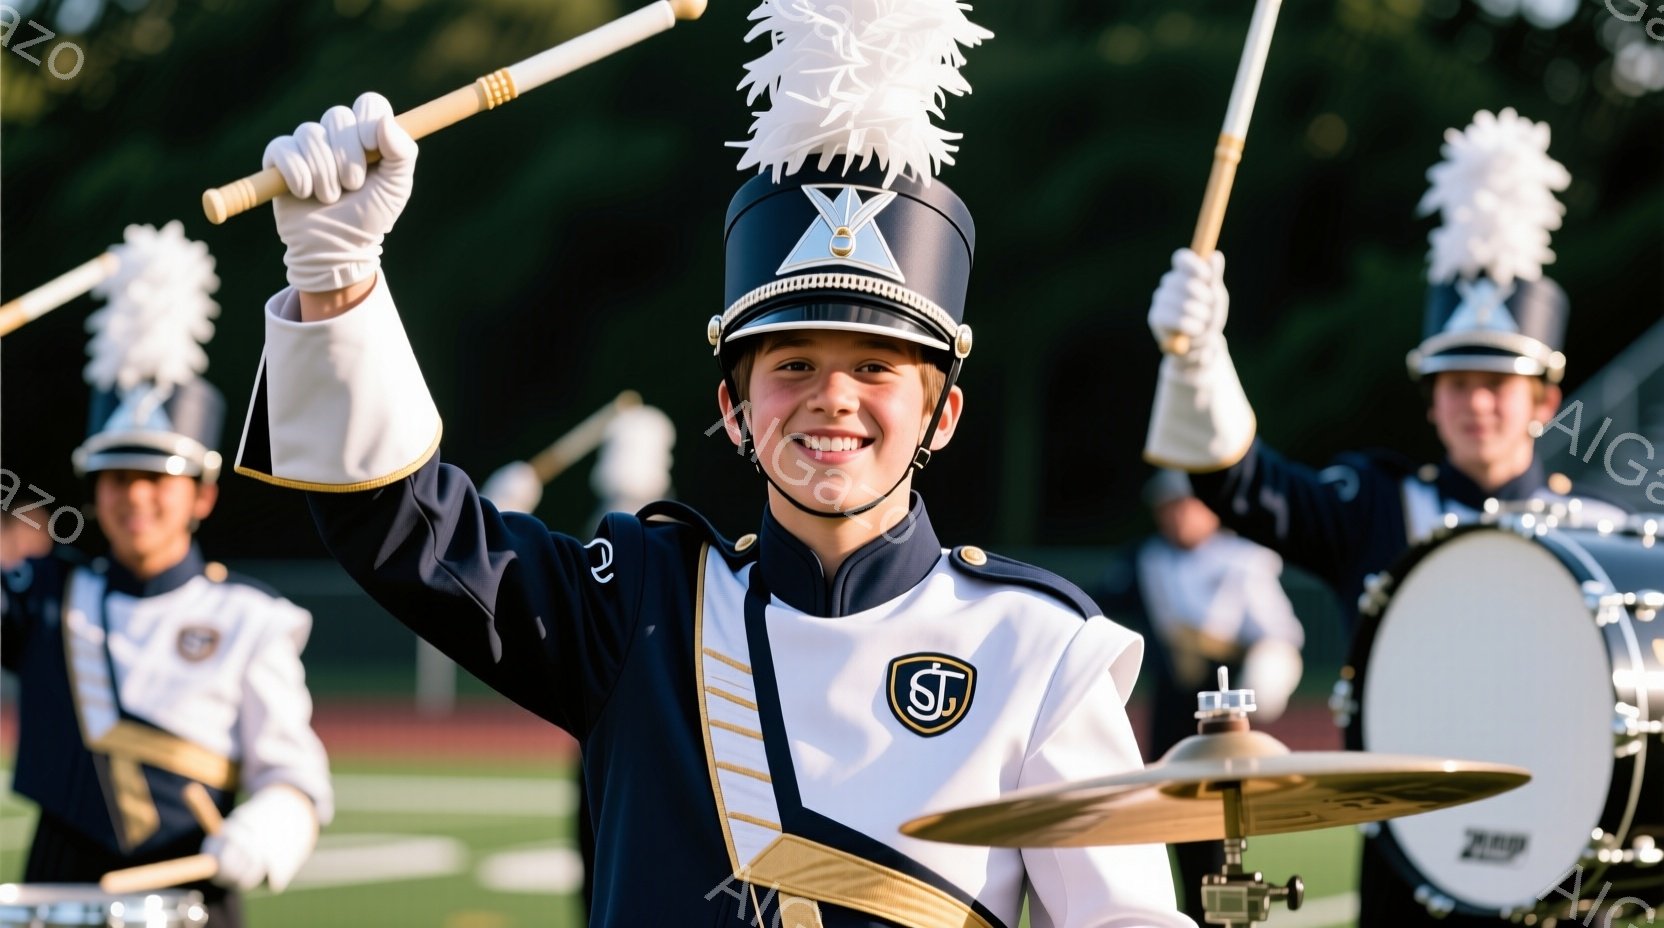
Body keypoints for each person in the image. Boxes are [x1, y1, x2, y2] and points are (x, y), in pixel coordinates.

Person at [230, 1, 1193, 924]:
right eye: (793, 365)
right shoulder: (637, 609)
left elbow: (1124, 919)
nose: (833, 398)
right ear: (733, 408)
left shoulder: (1042, 650)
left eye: (875, 367)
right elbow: (403, 530)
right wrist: (338, 278)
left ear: (943, 413)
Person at [1140, 109, 1624, 926]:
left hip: (1563, 876)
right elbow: (1241, 485)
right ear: (1429, 398)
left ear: (1543, 399)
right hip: (1411, 873)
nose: (1476, 401)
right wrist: (1198, 359)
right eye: (1455, 381)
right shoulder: (1373, 505)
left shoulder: (1600, 538)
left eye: (1498, 384)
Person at [0, 223, 333, 927]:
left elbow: (294, 777)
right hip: (50, 904)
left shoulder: (251, 619)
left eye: (158, 477)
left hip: (191, 909)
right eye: (117, 478)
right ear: (93, 492)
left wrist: (267, 830)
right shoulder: (42, 595)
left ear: (203, 495)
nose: (136, 497)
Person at [1098, 469, 1304, 922]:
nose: (1176, 516)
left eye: (1185, 504)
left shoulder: (1244, 560)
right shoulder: (1147, 560)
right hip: (1171, 710)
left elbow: (1280, 634)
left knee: (1217, 829)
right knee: (1168, 816)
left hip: (1221, 714)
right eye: (1167, 507)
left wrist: (1264, 675)